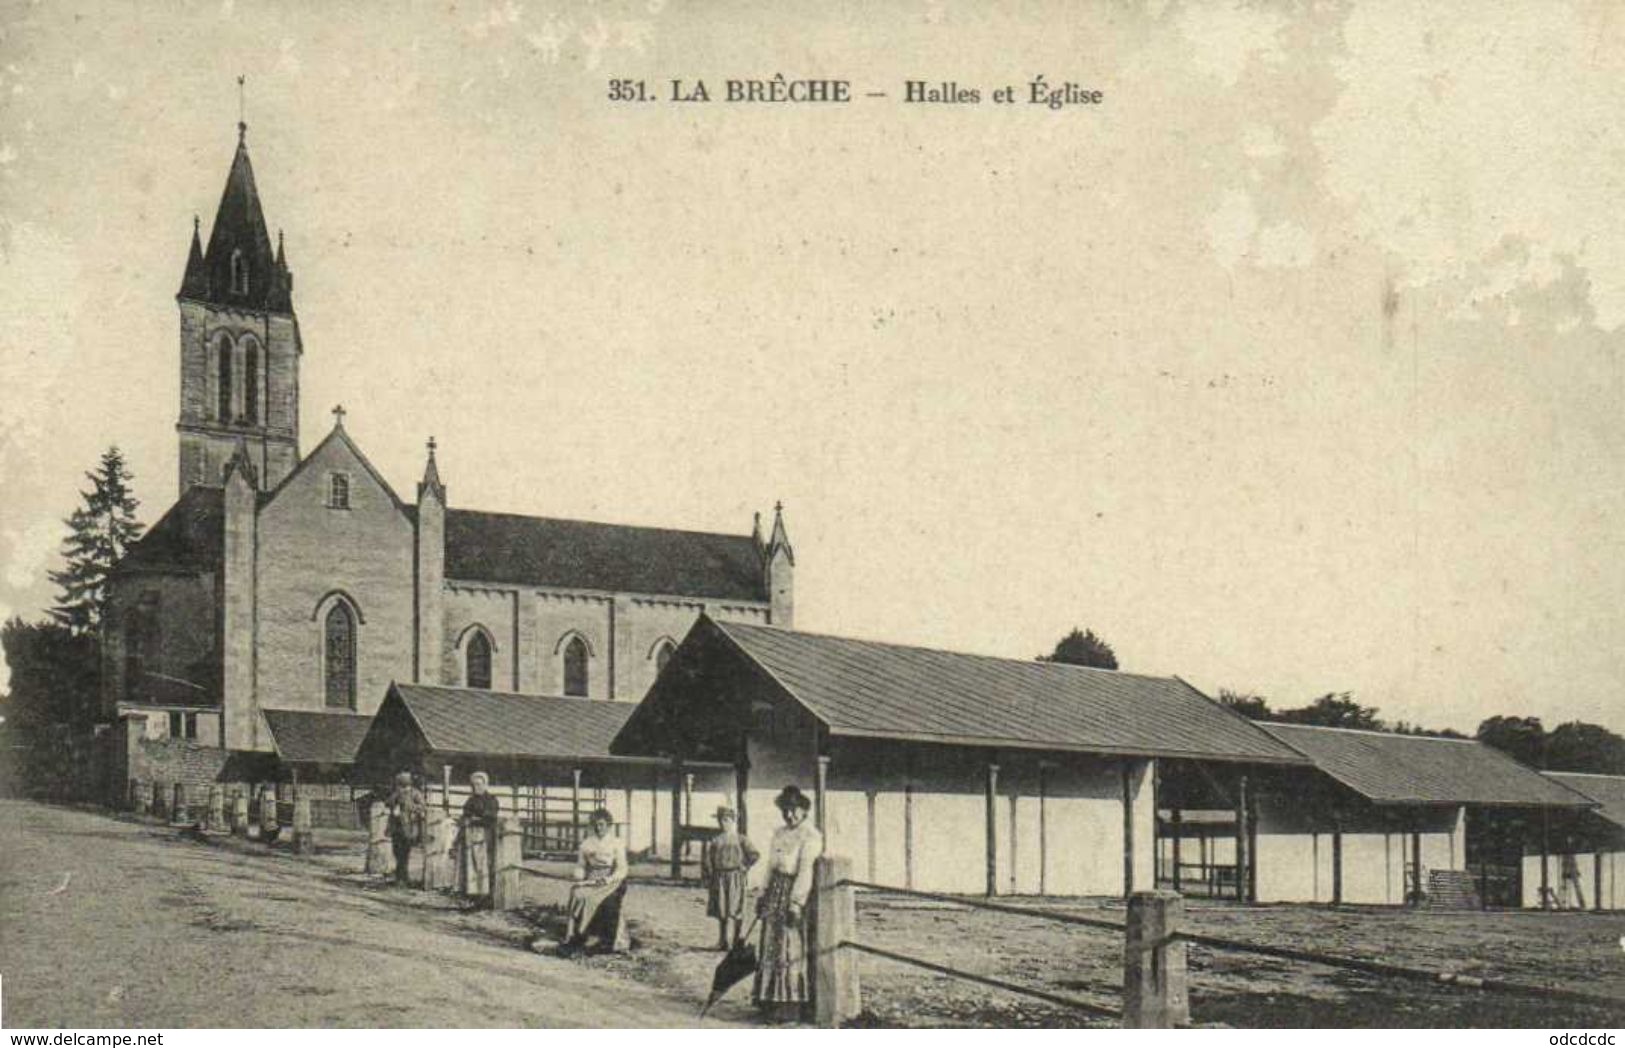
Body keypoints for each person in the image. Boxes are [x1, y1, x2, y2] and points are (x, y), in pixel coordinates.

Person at [752, 784, 823, 1021]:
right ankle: (769, 1001)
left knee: (788, 947)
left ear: (804, 810)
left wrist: (796, 903)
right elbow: (770, 866)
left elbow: (805, 872)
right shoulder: (779, 833)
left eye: (794, 810)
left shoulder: (810, 836)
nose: (790, 815)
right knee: (771, 946)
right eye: (786, 810)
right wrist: (762, 895)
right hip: (774, 893)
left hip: (792, 894)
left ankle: (789, 1006)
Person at [562, 807, 629, 954]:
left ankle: (607, 940)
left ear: (609, 825)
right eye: (596, 825)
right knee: (577, 894)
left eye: (602, 825)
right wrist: (578, 875)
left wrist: (609, 879)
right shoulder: (586, 844)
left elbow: (622, 869)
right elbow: (580, 866)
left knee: (600, 900)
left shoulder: (617, 843)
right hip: (592, 879)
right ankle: (578, 934)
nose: (599, 828)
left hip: (612, 881)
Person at [701, 805, 759, 950]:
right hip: (719, 878)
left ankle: (736, 941)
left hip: (736, 878)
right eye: (721, 820)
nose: (724, 823)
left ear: (733, 821)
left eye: (727, 820)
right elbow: (709, 859)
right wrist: (709, 874)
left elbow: (754, 854)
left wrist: (745, 866)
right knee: (722, 910)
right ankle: (722, 940)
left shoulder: (741, 839)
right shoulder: (716, 840)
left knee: (736, 909)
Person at [459, 771, 502, 902]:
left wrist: (475, 819)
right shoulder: (470, 800)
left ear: (485, 784)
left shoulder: (491, 800)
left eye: (479, 784)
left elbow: (490, 817)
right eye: (473, 785)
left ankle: (485, 895)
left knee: (484, 864)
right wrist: (473, 818)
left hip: (485, 836)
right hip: (471, 835)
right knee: (471, 864)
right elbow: (465, 814)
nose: (476, 787)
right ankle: (472, 893)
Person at [385, 771, 426, 887]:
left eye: (405, 782)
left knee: (405, 852)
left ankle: (403, 878)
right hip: (396, 826)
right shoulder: (397, 793)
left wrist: (409, 807)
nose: (403, 785)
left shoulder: (415, 793)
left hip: (409, 826)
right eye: (401, 783)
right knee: (397, 852)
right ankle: (400, 877)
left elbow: (423, 806)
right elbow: (387, 802)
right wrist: (394, 804)